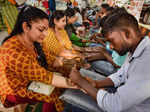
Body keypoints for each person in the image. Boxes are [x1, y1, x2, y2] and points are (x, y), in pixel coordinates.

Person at [69, 8, 150, 112]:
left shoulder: (146, 62)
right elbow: (120, 75)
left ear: (127, 33)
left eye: (112, 41)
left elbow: (114, 105)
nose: (111, 47)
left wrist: (81, 82)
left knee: (72, 106)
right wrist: (96, 83)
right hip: (124, 100)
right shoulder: (134, 50)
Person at [0, 6, 78, 112]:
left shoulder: (36, 42)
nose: (45, 34)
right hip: (16, 89)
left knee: (65, 73)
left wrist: (65, 64)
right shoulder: (11, 50)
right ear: (26, 27)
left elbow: (49, 60)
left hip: (33, 79)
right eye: (41, 30)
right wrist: (79, 84)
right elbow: (45, 76)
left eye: (46, 30)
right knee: (53, 94)